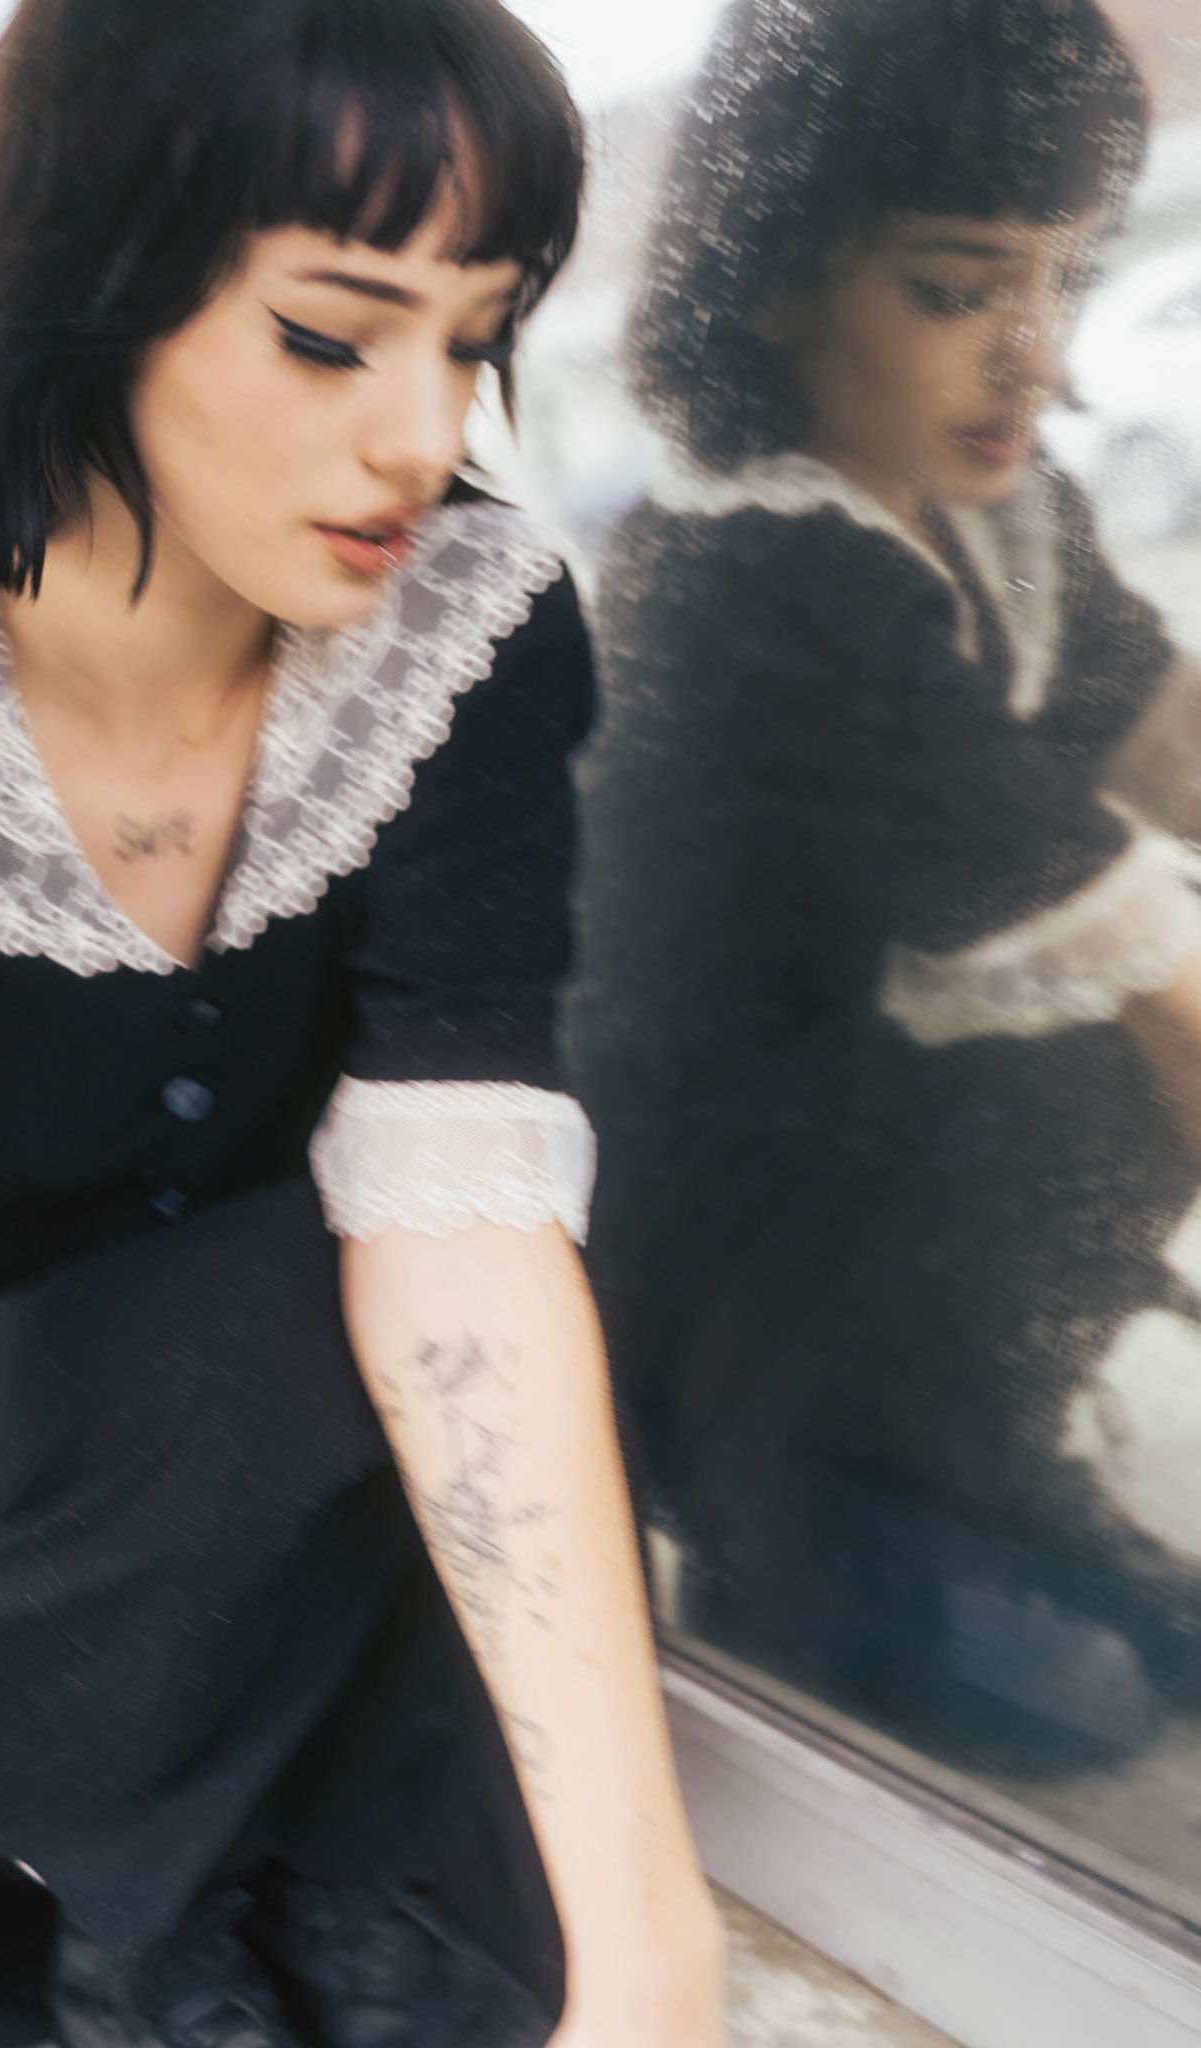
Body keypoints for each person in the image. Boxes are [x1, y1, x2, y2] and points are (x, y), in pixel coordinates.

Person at [0, 2, 727, 2042]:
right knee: (296, 1277)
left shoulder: (456, 628)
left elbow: (462, 1256)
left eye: (472, 339)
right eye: (331, 334)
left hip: (321, 1528)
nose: (422, 432)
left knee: (419, 1260)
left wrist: (655, 1947)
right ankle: (104, 1890)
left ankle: (207, 1877)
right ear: (90, 278)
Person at [571, 0, 1201, 1778]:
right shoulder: (759, 576)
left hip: (917, 1249)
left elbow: (1171, 740)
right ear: (772, 280)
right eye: (952, 291)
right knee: (1066, 1722)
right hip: (747, 1296)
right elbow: (1161, 992)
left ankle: (989, 1465)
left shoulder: (987, 502)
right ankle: (790, 1547)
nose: (1035, 363)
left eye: (1059, 284)